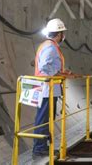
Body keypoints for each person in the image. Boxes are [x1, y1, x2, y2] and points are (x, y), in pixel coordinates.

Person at [32, 18, 75, 158]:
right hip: (47, 89)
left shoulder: (48, 45)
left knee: (46, 118)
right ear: (59, 34)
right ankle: (39, 149)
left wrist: (63, 72)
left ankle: (43, 146)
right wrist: (60, 74)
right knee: (43, 119)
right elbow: (45, 67)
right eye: (62, 33)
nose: (63, 36)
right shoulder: (50, 47)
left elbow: (50, 66)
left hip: (49, 89)